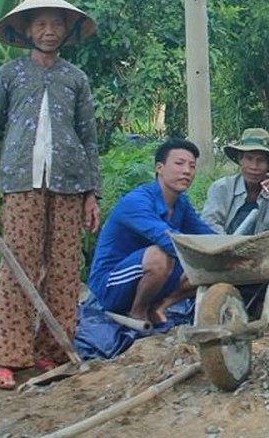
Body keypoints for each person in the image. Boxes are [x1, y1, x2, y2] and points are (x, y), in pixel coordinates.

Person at [0, 0, 103, 391]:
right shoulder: (11, 75)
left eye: (56, 23)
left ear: (67, 29)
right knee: (17, 266)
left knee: (63, 270)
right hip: (21, 182)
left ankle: (53, 352)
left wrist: (94, 193)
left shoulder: (76, 78)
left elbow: (89, 140)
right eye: (40, 23)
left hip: (70, 184)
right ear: (25, 29)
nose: (49, 31)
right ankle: (5, 355)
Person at [87, 139, 214, 328]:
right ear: (159, 168)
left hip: (150, 279)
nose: (187, 171)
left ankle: (159, 306)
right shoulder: (137, 201)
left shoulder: (181, 203)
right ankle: (137, 313)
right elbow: (168, 239)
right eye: (179, 164)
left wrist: (235, 251)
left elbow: (206, 235)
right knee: (161, 254)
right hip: (111, 285)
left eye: (192, 166)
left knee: (211, 267)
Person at [201, 127, 269, 235]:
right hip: (222, 247)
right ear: (240, 159)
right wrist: (227, 246)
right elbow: (210, 223)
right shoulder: (222, 187)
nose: (254, 166)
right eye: (249, 158)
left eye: (261, 160)